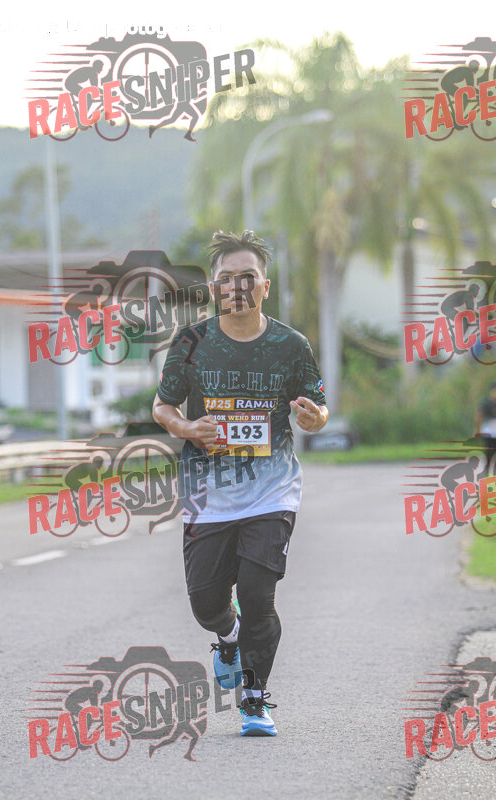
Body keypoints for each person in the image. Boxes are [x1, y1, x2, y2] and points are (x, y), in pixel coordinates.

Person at [152, 230, 328, 736]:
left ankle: (254, 696)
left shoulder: (291, 345)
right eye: (227, 278)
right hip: (207, 494)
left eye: (247, 276)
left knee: (257, 594)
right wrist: (188, 427)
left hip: (272, 491)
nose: (237, 286)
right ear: (214, 289)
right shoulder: (192, 343)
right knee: (206, 602)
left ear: (265, 286)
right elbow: (163, 405)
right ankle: (227, 637)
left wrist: (314, 418)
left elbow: (317, 406)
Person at [475, 382, 496, 478]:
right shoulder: (485, 402)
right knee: (489, 454)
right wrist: (477, 431)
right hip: (489, 433)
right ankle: (487, 475)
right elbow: (479, 416)